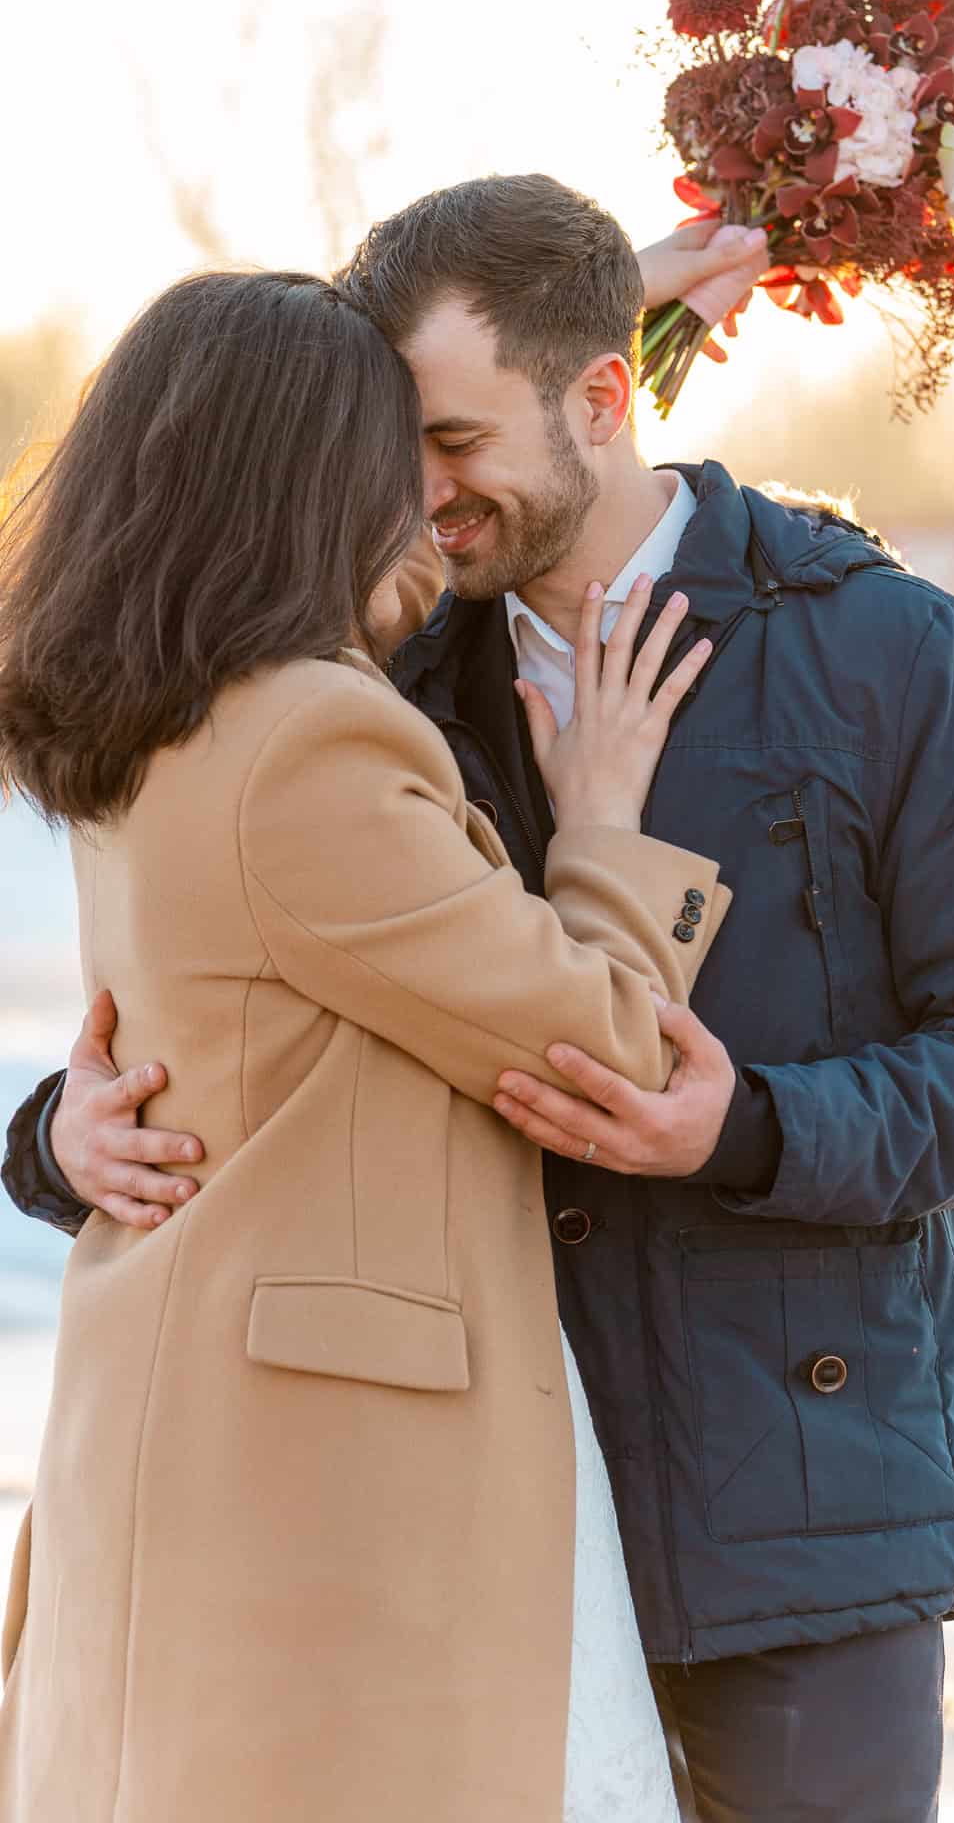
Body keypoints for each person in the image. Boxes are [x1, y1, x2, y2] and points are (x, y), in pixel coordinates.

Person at [4, 180, 954, 1822]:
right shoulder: (367, 663)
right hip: (452, 1498)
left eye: (446, 440)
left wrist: (745, 1129)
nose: (416, 492)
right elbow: (232, 979)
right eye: (387, 447)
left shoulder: (875, 647)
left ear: (602, 396)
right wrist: (59, 1134)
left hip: (795, 1495)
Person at [0, 267, 733, 1821]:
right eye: (394, 452)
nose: (429, 494)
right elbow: (613, 1047)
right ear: (311, 475)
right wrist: (604, 830)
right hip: (329, 1485)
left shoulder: (151, 718)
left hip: (183, 1418)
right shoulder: (308, 741)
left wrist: (639, 288)